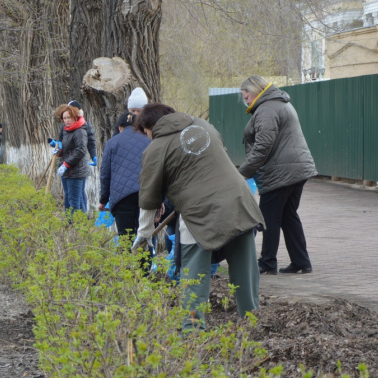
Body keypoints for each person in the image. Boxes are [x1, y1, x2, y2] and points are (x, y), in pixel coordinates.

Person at [133, 103, 265, 333]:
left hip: (200, 214)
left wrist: (144, 233)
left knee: (194, 273)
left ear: (150, 127)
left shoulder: (157, 148)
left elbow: (148, 198)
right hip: (239, 202)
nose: (147, 137)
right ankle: (251, 323)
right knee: (244, 269)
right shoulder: (204, 125)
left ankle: (192, 329)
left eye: (146, 133)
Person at [239, 76, 318, 275]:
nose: (246, 101)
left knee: (268, 218)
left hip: (281, 172)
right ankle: (301, 261)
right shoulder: (278, 103)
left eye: (246, 95)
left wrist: (242, 172)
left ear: (255, 91)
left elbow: (263, 146)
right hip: (295, 169)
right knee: (288, 216)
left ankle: (267, 263)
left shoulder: (267, 109)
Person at [98, 112, 151, 236]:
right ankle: (146, 255)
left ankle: (127, 255)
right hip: (146, 193)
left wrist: (103, 199)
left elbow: (105, 174)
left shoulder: (112, 142)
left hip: (122, 196)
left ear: (120, 127)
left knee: (126, 237)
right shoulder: (149, 140)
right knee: (144, 235)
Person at [52, 104, 90, 214]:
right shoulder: (67, 130)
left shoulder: (80, 131)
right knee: (70, 198)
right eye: (64, 118)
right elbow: (66, 148)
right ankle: (72, 224)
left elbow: (80, 151)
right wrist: (59, 152)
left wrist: (66, 164)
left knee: (75, 202)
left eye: (69, 117)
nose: (67, 120)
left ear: (75, 116)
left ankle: (77, 227)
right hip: (68, 170)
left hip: (76, 171)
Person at [66, 101, 98, 166]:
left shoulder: (86, 126)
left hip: (81, 164)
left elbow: (91, 143)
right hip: (67, 162)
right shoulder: (66, 127)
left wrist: (93, 155)